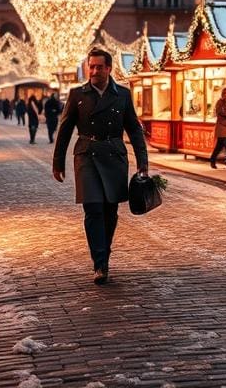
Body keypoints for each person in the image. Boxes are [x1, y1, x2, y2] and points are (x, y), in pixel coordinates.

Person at [52, 48, 148, 285]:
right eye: (91, 67)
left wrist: (143, 163)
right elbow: (65, 130)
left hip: (114, 156)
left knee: (110, 211)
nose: (94, 71)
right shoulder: (77, 94)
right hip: (86, 155)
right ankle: (100, 262)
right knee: (93, 207)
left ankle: (104, 252)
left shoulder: (122, 95)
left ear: (109, 69)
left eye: (99, 67)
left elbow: (134, 130)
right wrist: (58, 162)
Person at [209, 86, 226, 169]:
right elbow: (220, 112)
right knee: (220, 144)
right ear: (224, 94)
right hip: (222, 125)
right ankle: (213, 159)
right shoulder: (220, 102)